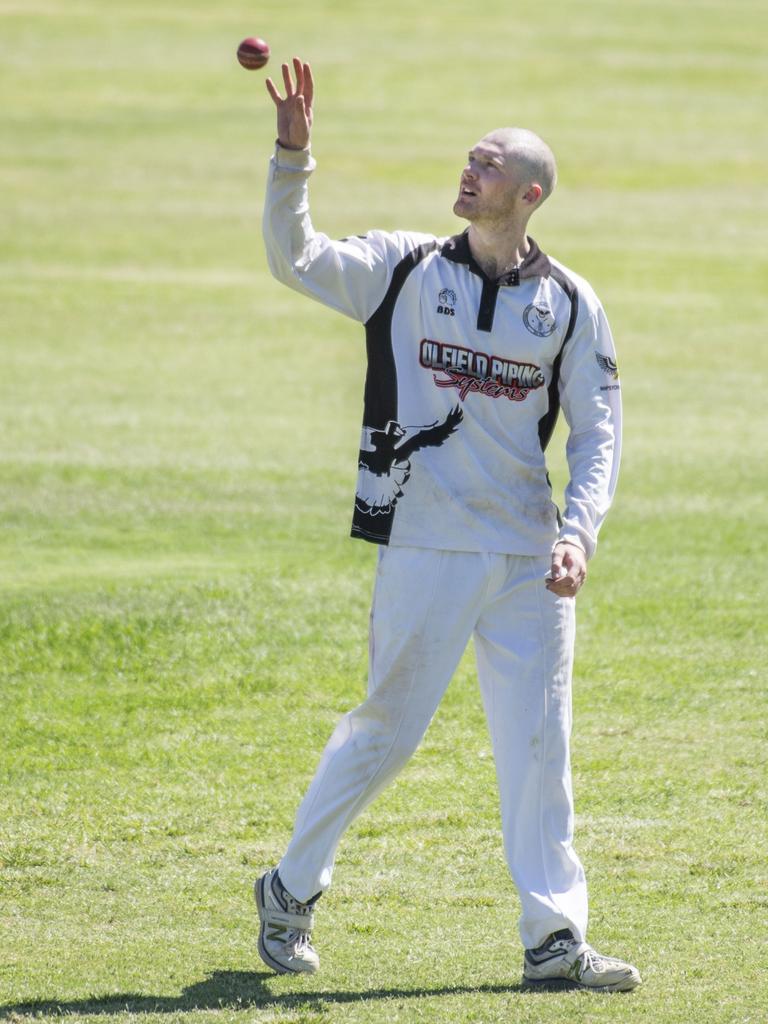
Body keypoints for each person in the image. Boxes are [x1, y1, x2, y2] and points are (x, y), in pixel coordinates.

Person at [254, 57, 640, 993]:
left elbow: (600, 431)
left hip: (524, 556)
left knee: (540, 747)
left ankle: (554, 937)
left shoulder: (572, 305)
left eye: (490, 164)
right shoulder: (402, 268)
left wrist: (577, 534)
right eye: (468, 159)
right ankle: (288, 891)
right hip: (424, 540)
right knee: (386, 731)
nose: (470, 172)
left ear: (530, 193)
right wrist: (292, 157)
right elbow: (295, 257)